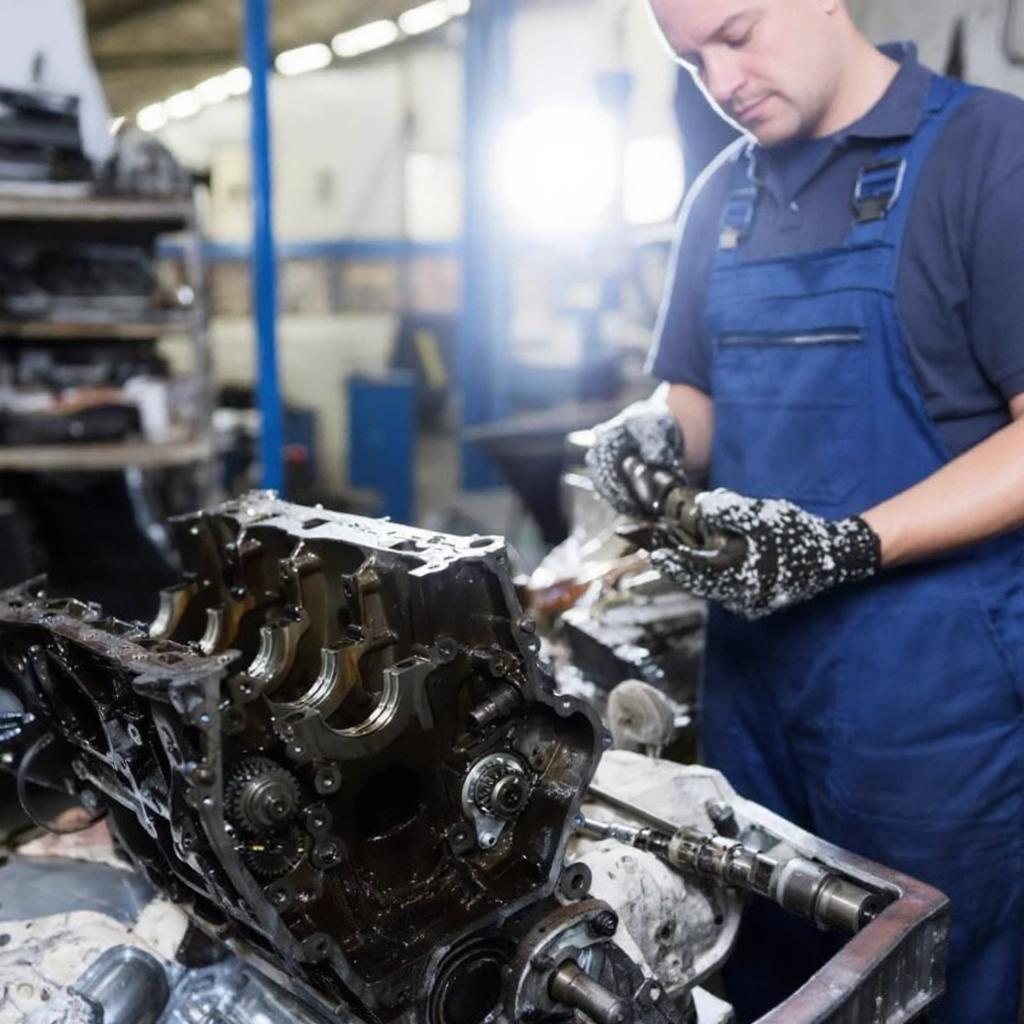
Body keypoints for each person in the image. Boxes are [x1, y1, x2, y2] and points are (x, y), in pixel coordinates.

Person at [586, 1, 1024, 1021]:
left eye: (736, 35)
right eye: (691, 63)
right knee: (772, 975)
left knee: (929, 986)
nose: (722, 82)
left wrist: (848, 545)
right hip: (751, 692)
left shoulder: (989, 154)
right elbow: (695, 395)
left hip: (930, 707)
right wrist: (647, 432)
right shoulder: (720, 192)